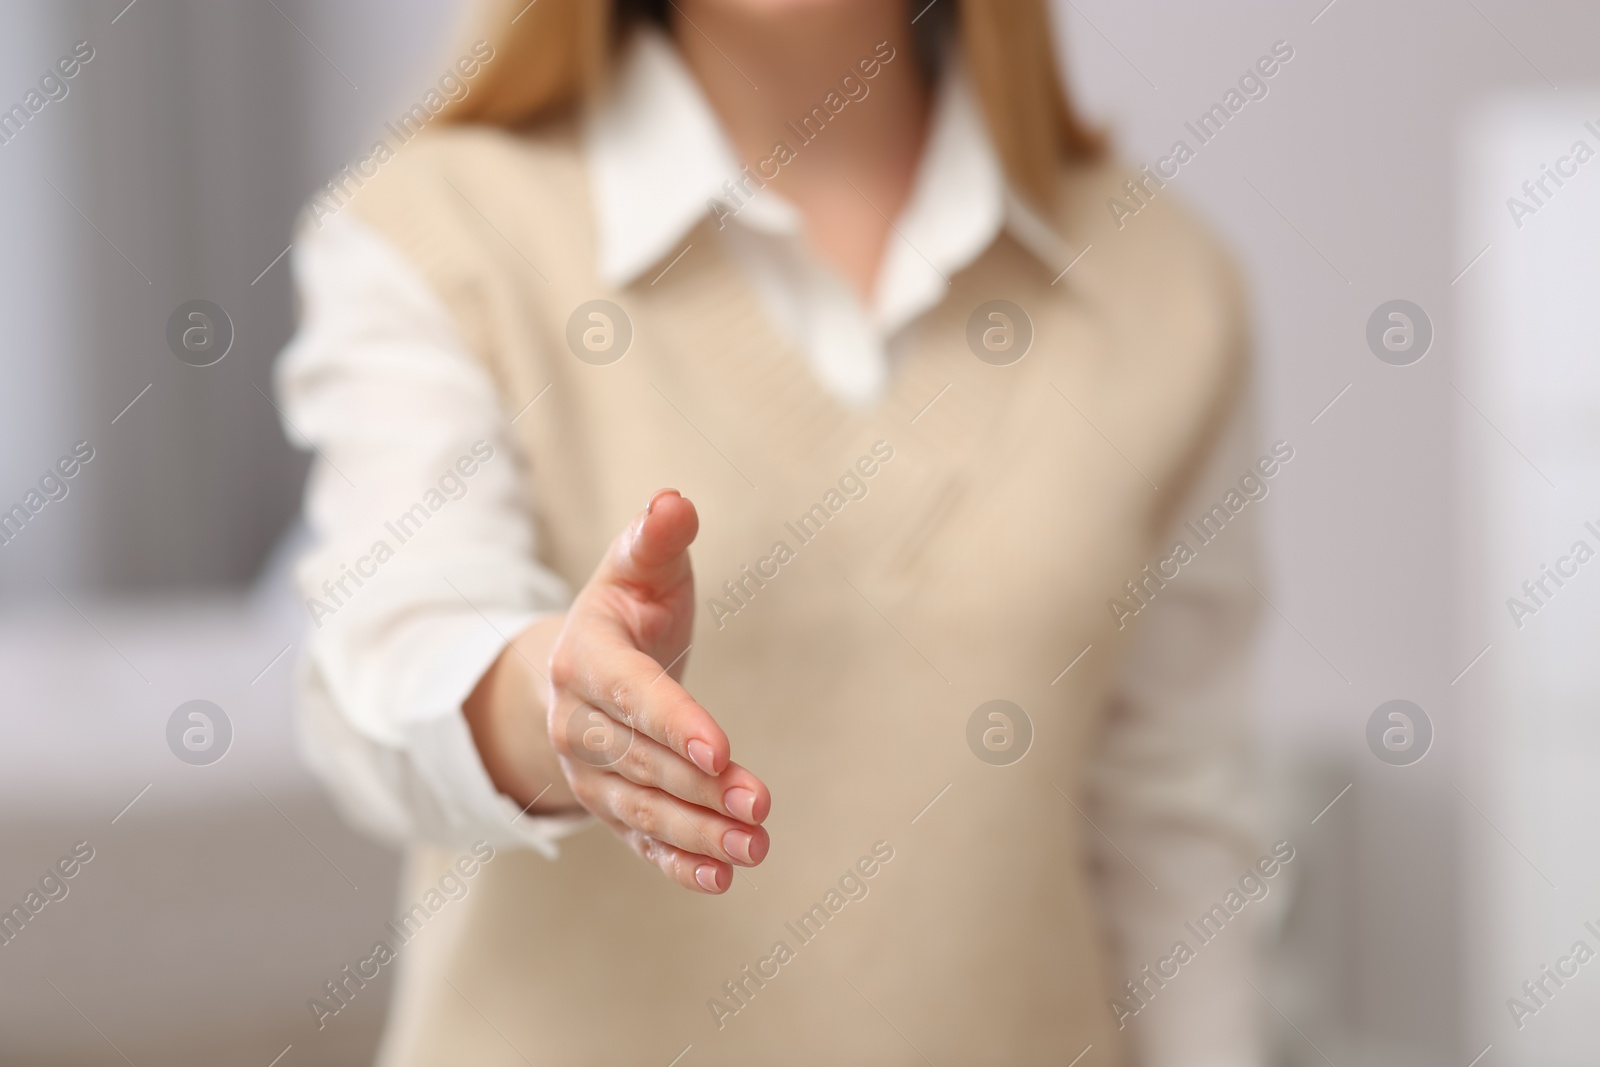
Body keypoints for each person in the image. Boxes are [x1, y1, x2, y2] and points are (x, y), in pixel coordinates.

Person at [275, 0, 1269, 1062]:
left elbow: (1174, 825)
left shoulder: (1167, 288)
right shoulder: (438, 229)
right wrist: (560, 702)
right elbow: (389, 654)